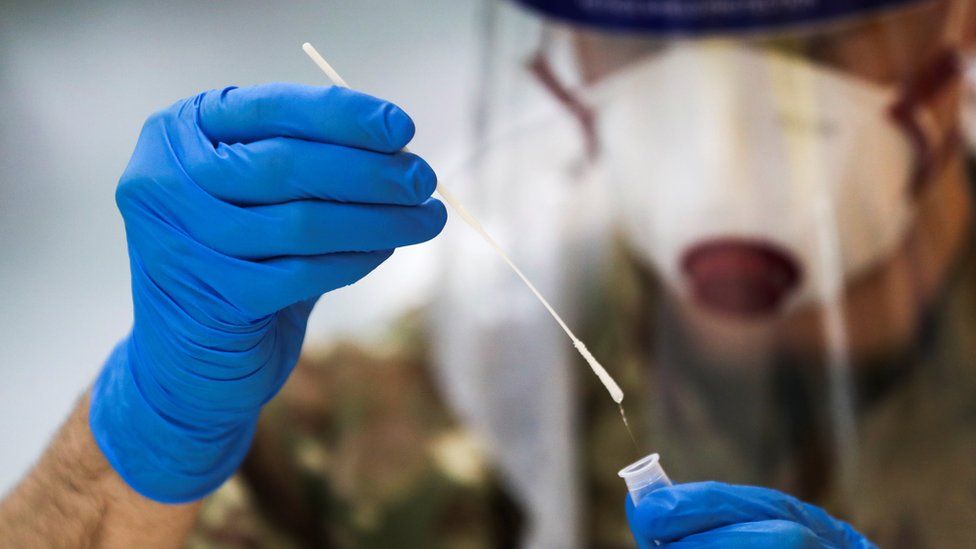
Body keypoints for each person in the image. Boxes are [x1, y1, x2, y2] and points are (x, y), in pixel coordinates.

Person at [1, 0, 974, 547]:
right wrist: (139, 436)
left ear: (958, 24)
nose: (719, 128)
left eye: (799, 22)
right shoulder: (382, 431)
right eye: (641, 25)